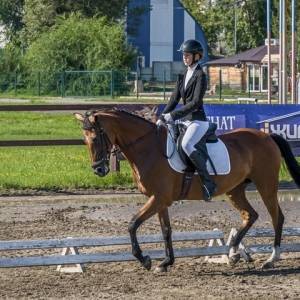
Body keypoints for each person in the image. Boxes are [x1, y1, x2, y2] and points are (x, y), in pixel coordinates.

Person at [156, 39, 218, 201]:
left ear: (197, 56)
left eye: (188, 55)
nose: (184, 58)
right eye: (183, 55)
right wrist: (163, 116)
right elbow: (174, 99)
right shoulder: (182, 74)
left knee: (186, 144)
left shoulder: (200, 76)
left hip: (197, 121)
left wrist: (173, 116)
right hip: (184, 121)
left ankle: (208, 183)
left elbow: (195, 102)